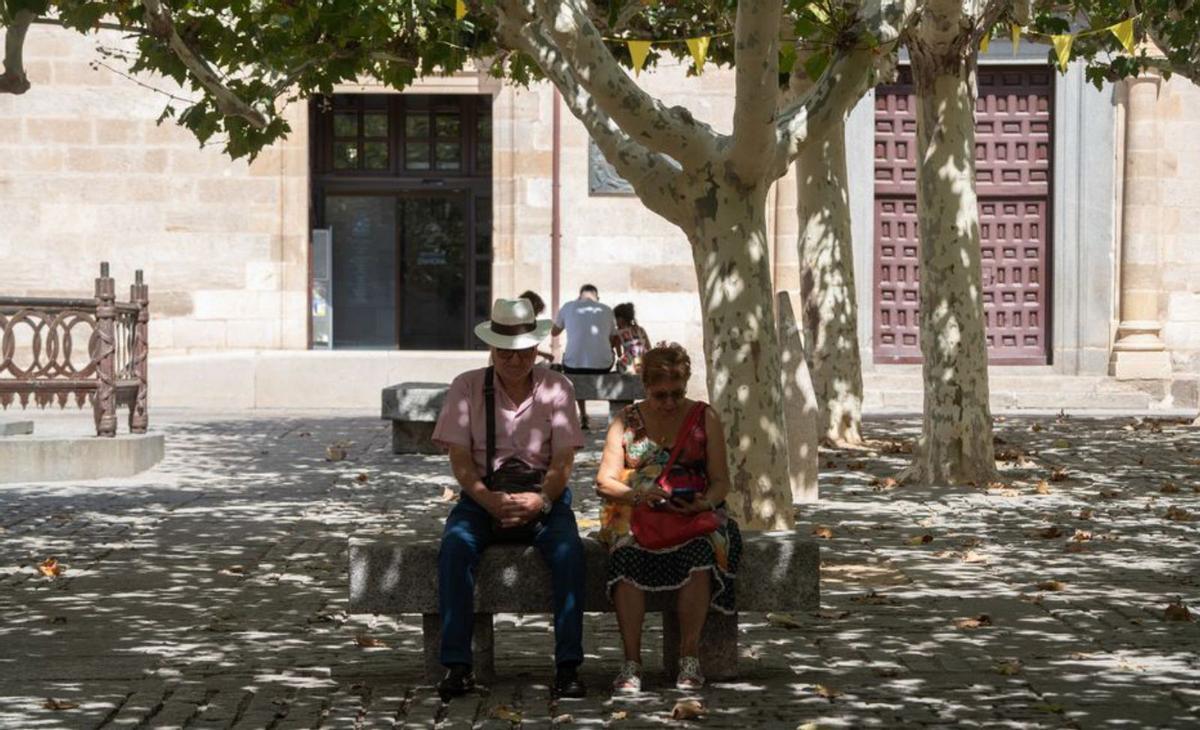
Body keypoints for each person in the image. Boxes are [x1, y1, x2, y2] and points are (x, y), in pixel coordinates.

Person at [432, 298, 588, 700]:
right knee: (454, 549)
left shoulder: (558, 387)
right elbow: (460, 459)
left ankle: (568, 666)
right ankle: (456, 665)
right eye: (504, 352)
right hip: (483, 496)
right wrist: (486, 499)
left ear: (535, 350)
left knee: (570, 553)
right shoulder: (467, 386)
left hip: (543, 495)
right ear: (492, 349)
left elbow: (564, 459)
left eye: (521, 352)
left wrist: (542, 501)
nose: (513, 361)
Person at [594, 343, 742, 694]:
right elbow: (604, 481)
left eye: (677, 393)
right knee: (626, 558)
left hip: (690, 514)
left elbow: (721, 480)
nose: (670, 403)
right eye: (661, 395)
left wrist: (703, 503)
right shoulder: (626, 421)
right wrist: (638, 495)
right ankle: (631, 662)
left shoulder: (704, 417)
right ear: (645, 387)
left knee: (701, 555)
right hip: (638, 516)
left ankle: (689, 657)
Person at [552, 284, 621, 429]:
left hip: (573, 367)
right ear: (597, 297)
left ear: (579, 296)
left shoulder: (568, 307)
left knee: (575, 361)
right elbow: (615, 338)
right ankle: (588, 416)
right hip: (602, 367)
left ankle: (583, 414)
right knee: (595, 357)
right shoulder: (607, 309)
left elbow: (554, 332)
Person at [613, 303, 651, 375]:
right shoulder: (641, 329)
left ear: (621, 319)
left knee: (620, 363)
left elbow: (619, 354)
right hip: (645, 364)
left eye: (616, 319)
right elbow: (649, 348)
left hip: (630, 366)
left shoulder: (618, 333)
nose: (615, 322)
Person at [518, 290, 555, 364]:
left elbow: (526, 348)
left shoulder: (523, 322)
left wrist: (544, 355)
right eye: (536, 313)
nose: (536, 316)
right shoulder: (518, 324)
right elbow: (521, 350)